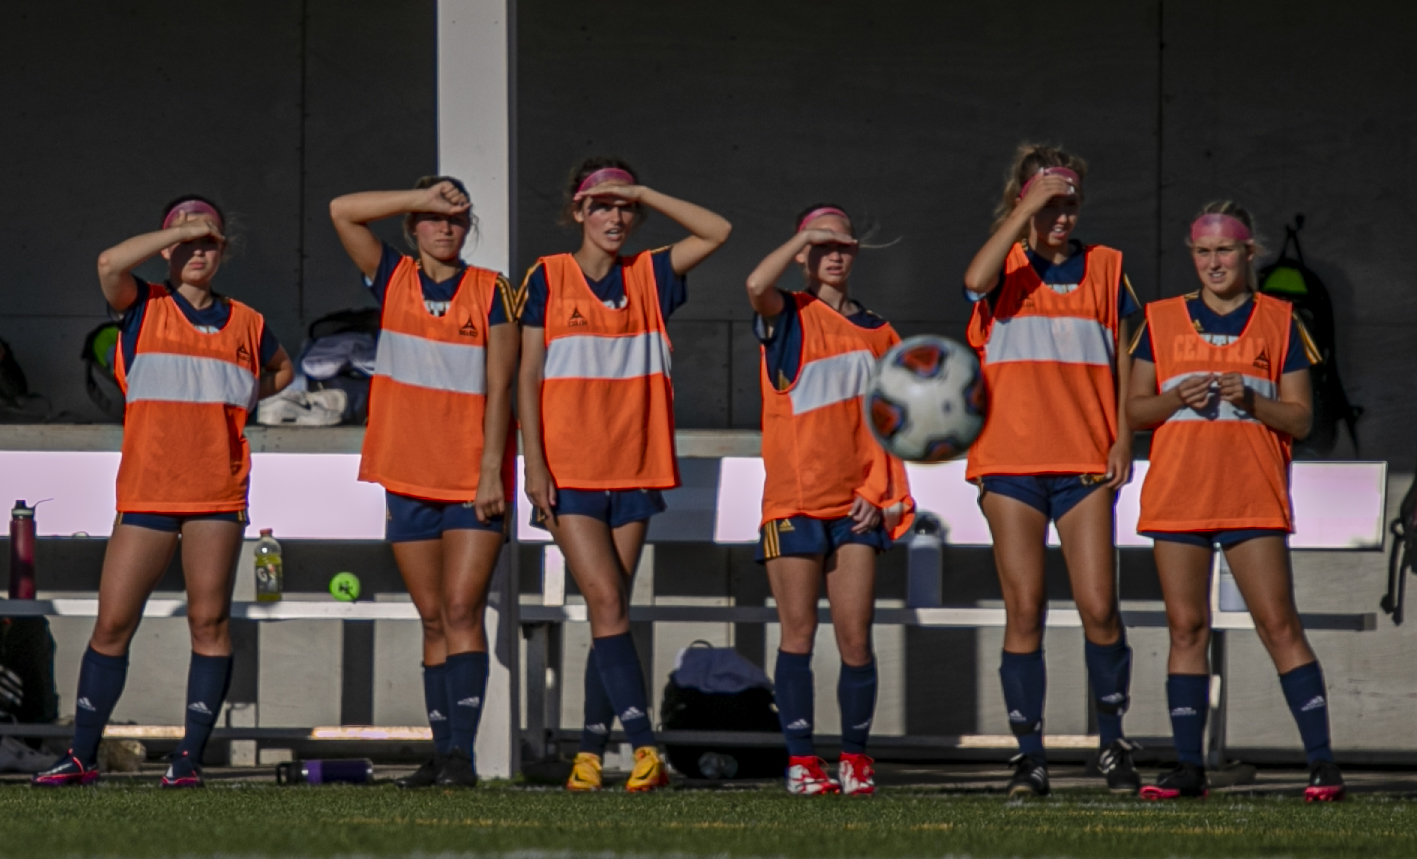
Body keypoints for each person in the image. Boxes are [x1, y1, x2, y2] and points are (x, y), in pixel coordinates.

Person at [33, 196, 293, 788]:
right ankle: (81, 756)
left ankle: (188, 761)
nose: (197, 248)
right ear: (165, 245)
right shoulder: (143, 303)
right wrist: (178, 229)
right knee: (113, 623)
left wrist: (240, 405)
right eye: (184, 238)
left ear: (224, 251)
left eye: (209, 239)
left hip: (217, 494)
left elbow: (282, 369)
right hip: (149, 491)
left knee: (209, 622)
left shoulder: (247, 322)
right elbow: (107, 264)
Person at [518, 157, 730, 791]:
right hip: (572, 471)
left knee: (610, 614)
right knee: (607, 602)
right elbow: (527, 377)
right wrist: (534, 466)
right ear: (577, 211)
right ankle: (644, 751)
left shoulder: (652, 273)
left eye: (624, 207)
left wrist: (643, 189)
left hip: (635, 468)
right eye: (602, 205)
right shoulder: (548, 276)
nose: (616, 216)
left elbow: (717, 231)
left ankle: (588, 753)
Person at [1127, 202, 1342, 802]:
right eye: (1203, 251)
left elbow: (1300, 419)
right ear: (1190, 255)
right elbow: (1134, 411)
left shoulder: (1280, 320)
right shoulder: (1160, 318)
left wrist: (1251, 401)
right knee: (1185, 627)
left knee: (1278, 624)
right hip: (1178, 495)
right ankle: (1188, 767)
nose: (1214, 261)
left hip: (1252, 495)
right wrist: (1174, 401)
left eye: (1226, 250)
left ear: (1250, 254)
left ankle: (1322, 764)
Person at [961, 144, 1141, 797]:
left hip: (1083, 460)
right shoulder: (1003, 264)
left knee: (1098, 606)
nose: (1060, 216)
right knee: (1025, 608)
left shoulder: (1106, 267)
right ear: (1022, 203)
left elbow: (1125, 361)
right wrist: (1025, 209)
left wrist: (1124, 437)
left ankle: (1112, 742)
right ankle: (1028, 755)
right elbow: (974, 279)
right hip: (1009, 460)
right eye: (1047, 203)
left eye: (1068, 203)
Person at [329, 176, 518, 788]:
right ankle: (443, 752)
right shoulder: (395, 277)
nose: (445, 227)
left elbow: (503, 387)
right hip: (406, 472)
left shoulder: (493, 291)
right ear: (413, 225)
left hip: (470, 476)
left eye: (457, 219)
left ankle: (461, 755)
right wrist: (417, 197)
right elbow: (344, 210)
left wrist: (492, 468)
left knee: (463, 609)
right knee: (432, 616)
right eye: (434, 217)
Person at [745, 205, 914, 796]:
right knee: (797, 634)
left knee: (855, 636)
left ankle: (855, 759)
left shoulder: (881, 331)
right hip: (793, 503)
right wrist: (802, 235)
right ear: (802, 253)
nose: (834, 252)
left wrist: (880, 491)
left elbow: (892, 425)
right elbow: (754, 285)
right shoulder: (787, 311)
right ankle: (800, 762)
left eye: (843, 242)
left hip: (856, 507)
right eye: (821, 243)